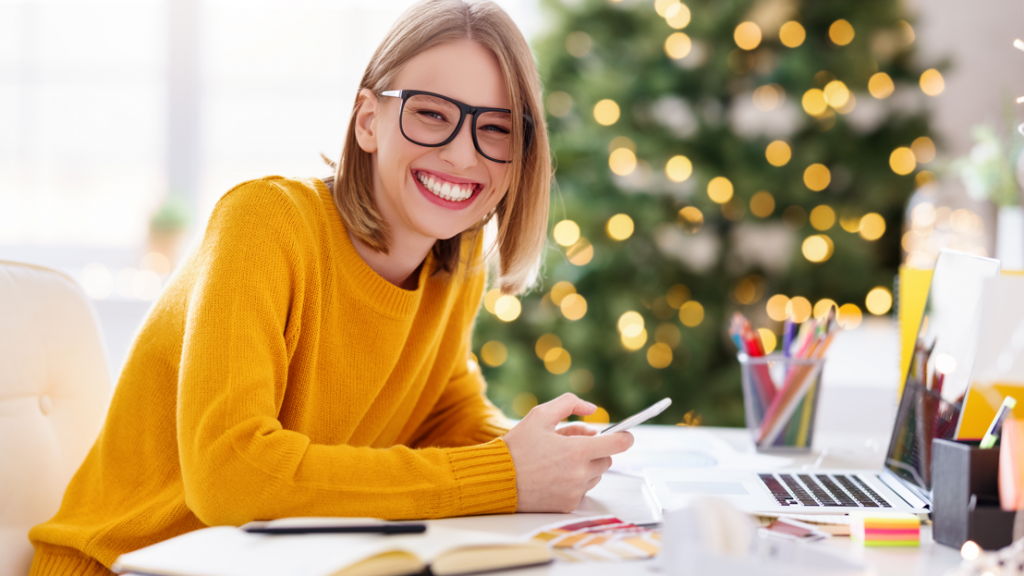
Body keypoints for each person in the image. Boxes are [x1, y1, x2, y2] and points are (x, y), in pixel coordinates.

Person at [28, 1, 634, 574]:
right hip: (126, 565)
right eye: (431, 114)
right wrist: (503, 475)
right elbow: (231, 475)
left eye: (497, 129)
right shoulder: (264, 224)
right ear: (368, 120)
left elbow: (448, 411)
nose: (460, 154)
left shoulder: (459, 257)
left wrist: (546, 457)